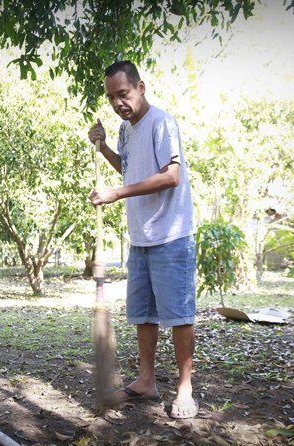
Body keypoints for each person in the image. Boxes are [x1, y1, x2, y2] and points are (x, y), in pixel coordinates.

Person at [87, 60, 198, 419]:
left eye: (123, 93)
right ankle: (146, 382)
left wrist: (116, 194)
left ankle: (185, 388)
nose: (118, 102)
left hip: (171, 234)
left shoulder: (162, 122)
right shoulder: (125, 129)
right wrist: (104, 147)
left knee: (178, 316)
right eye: (111, 97)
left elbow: (171, 176)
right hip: (142, 237)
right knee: (144, 314)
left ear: (141, 87)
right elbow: (130, 168)